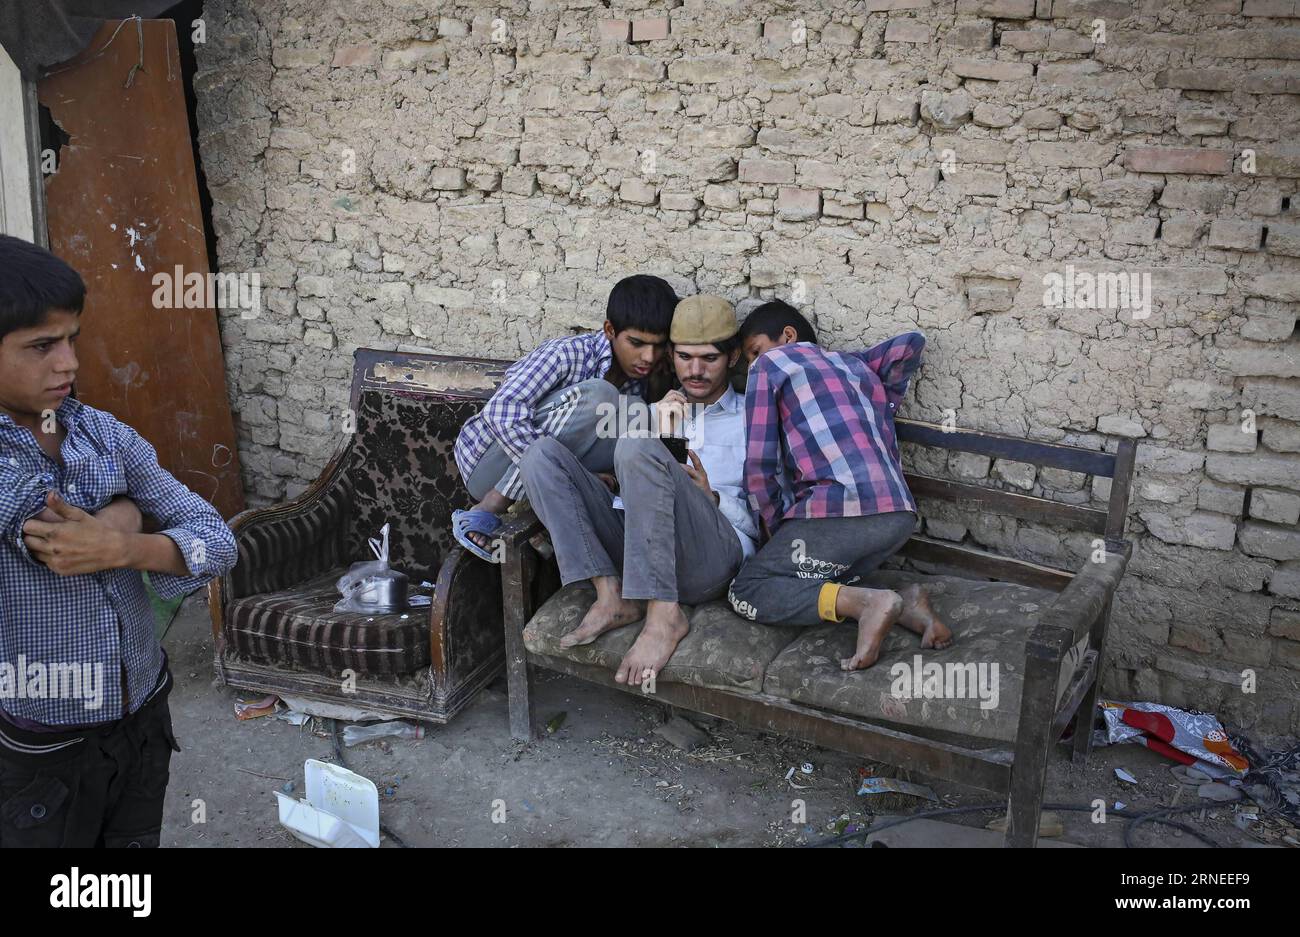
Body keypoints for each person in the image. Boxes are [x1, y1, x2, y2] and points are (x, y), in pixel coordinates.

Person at [0, 234, 237, 847]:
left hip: (142, 708)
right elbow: (60, 544)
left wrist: (129, 545)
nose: (69, 364)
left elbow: (216, 538)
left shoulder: (104, 434)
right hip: (42, 733)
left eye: (72, 338)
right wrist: (134, 513)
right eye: (41, 346)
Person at [518, 295, 757, 686]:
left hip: (709, 556)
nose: (694, 371)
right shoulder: (650, 409)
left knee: (634, 443)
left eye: (709, 359)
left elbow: (770, 518)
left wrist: (713, 499)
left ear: (732, 358)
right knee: (540, 455)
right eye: (683, 357)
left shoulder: (754, 417)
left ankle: (665, 616)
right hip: (637, 550)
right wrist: (603, 477)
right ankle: (612, 595)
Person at [727, 300, 952, 671]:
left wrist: (772, 525)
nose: (751, 364)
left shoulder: (770, 366)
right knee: (819, 576)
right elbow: (910, 343)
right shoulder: (857, 368)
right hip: (898, 515)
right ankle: (906, 602)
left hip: (841, 509)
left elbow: (760, 464)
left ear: (788, 336)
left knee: (749, 589)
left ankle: (870, 604)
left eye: (754, 350)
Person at [451, 274, 677, 562]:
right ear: (610, 330)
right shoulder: (569, 354)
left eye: (658, 346)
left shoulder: (639, 382)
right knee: (601, 397)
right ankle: (492, 505)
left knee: (634, 416)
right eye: (637, 343)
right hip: (489, 464)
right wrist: (558, 470)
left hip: (543, 475)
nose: (648, 356)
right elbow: (502, 411)